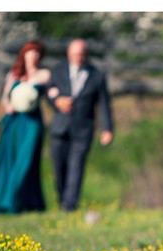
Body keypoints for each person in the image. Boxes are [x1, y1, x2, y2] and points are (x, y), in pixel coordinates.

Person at [46, 38, 113, 211]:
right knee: (59, 167)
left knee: (76, 168)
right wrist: (57, 101)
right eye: (75, 54)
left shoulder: (97, 75)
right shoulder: (59, 71)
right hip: (60, 127)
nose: (78, 57)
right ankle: (62, 199)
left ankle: (70, 206)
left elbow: (104, 104)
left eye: (82, 54)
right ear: (69, 54)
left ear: (86, 55)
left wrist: (107, 129)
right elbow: (49, 91)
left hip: (83, 129)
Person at [0, 40, 50, 215]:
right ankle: (3, 200)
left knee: (26, 161)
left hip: (32, 123)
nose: (34, 56)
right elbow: (5, 97)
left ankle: (18, 200)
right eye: (31, 52)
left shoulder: (44, 75)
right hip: (15, 122)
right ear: (24, 54)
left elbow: (52, 93)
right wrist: (9, 105)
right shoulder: (14, 74)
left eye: (37, 52)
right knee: (9, 160)